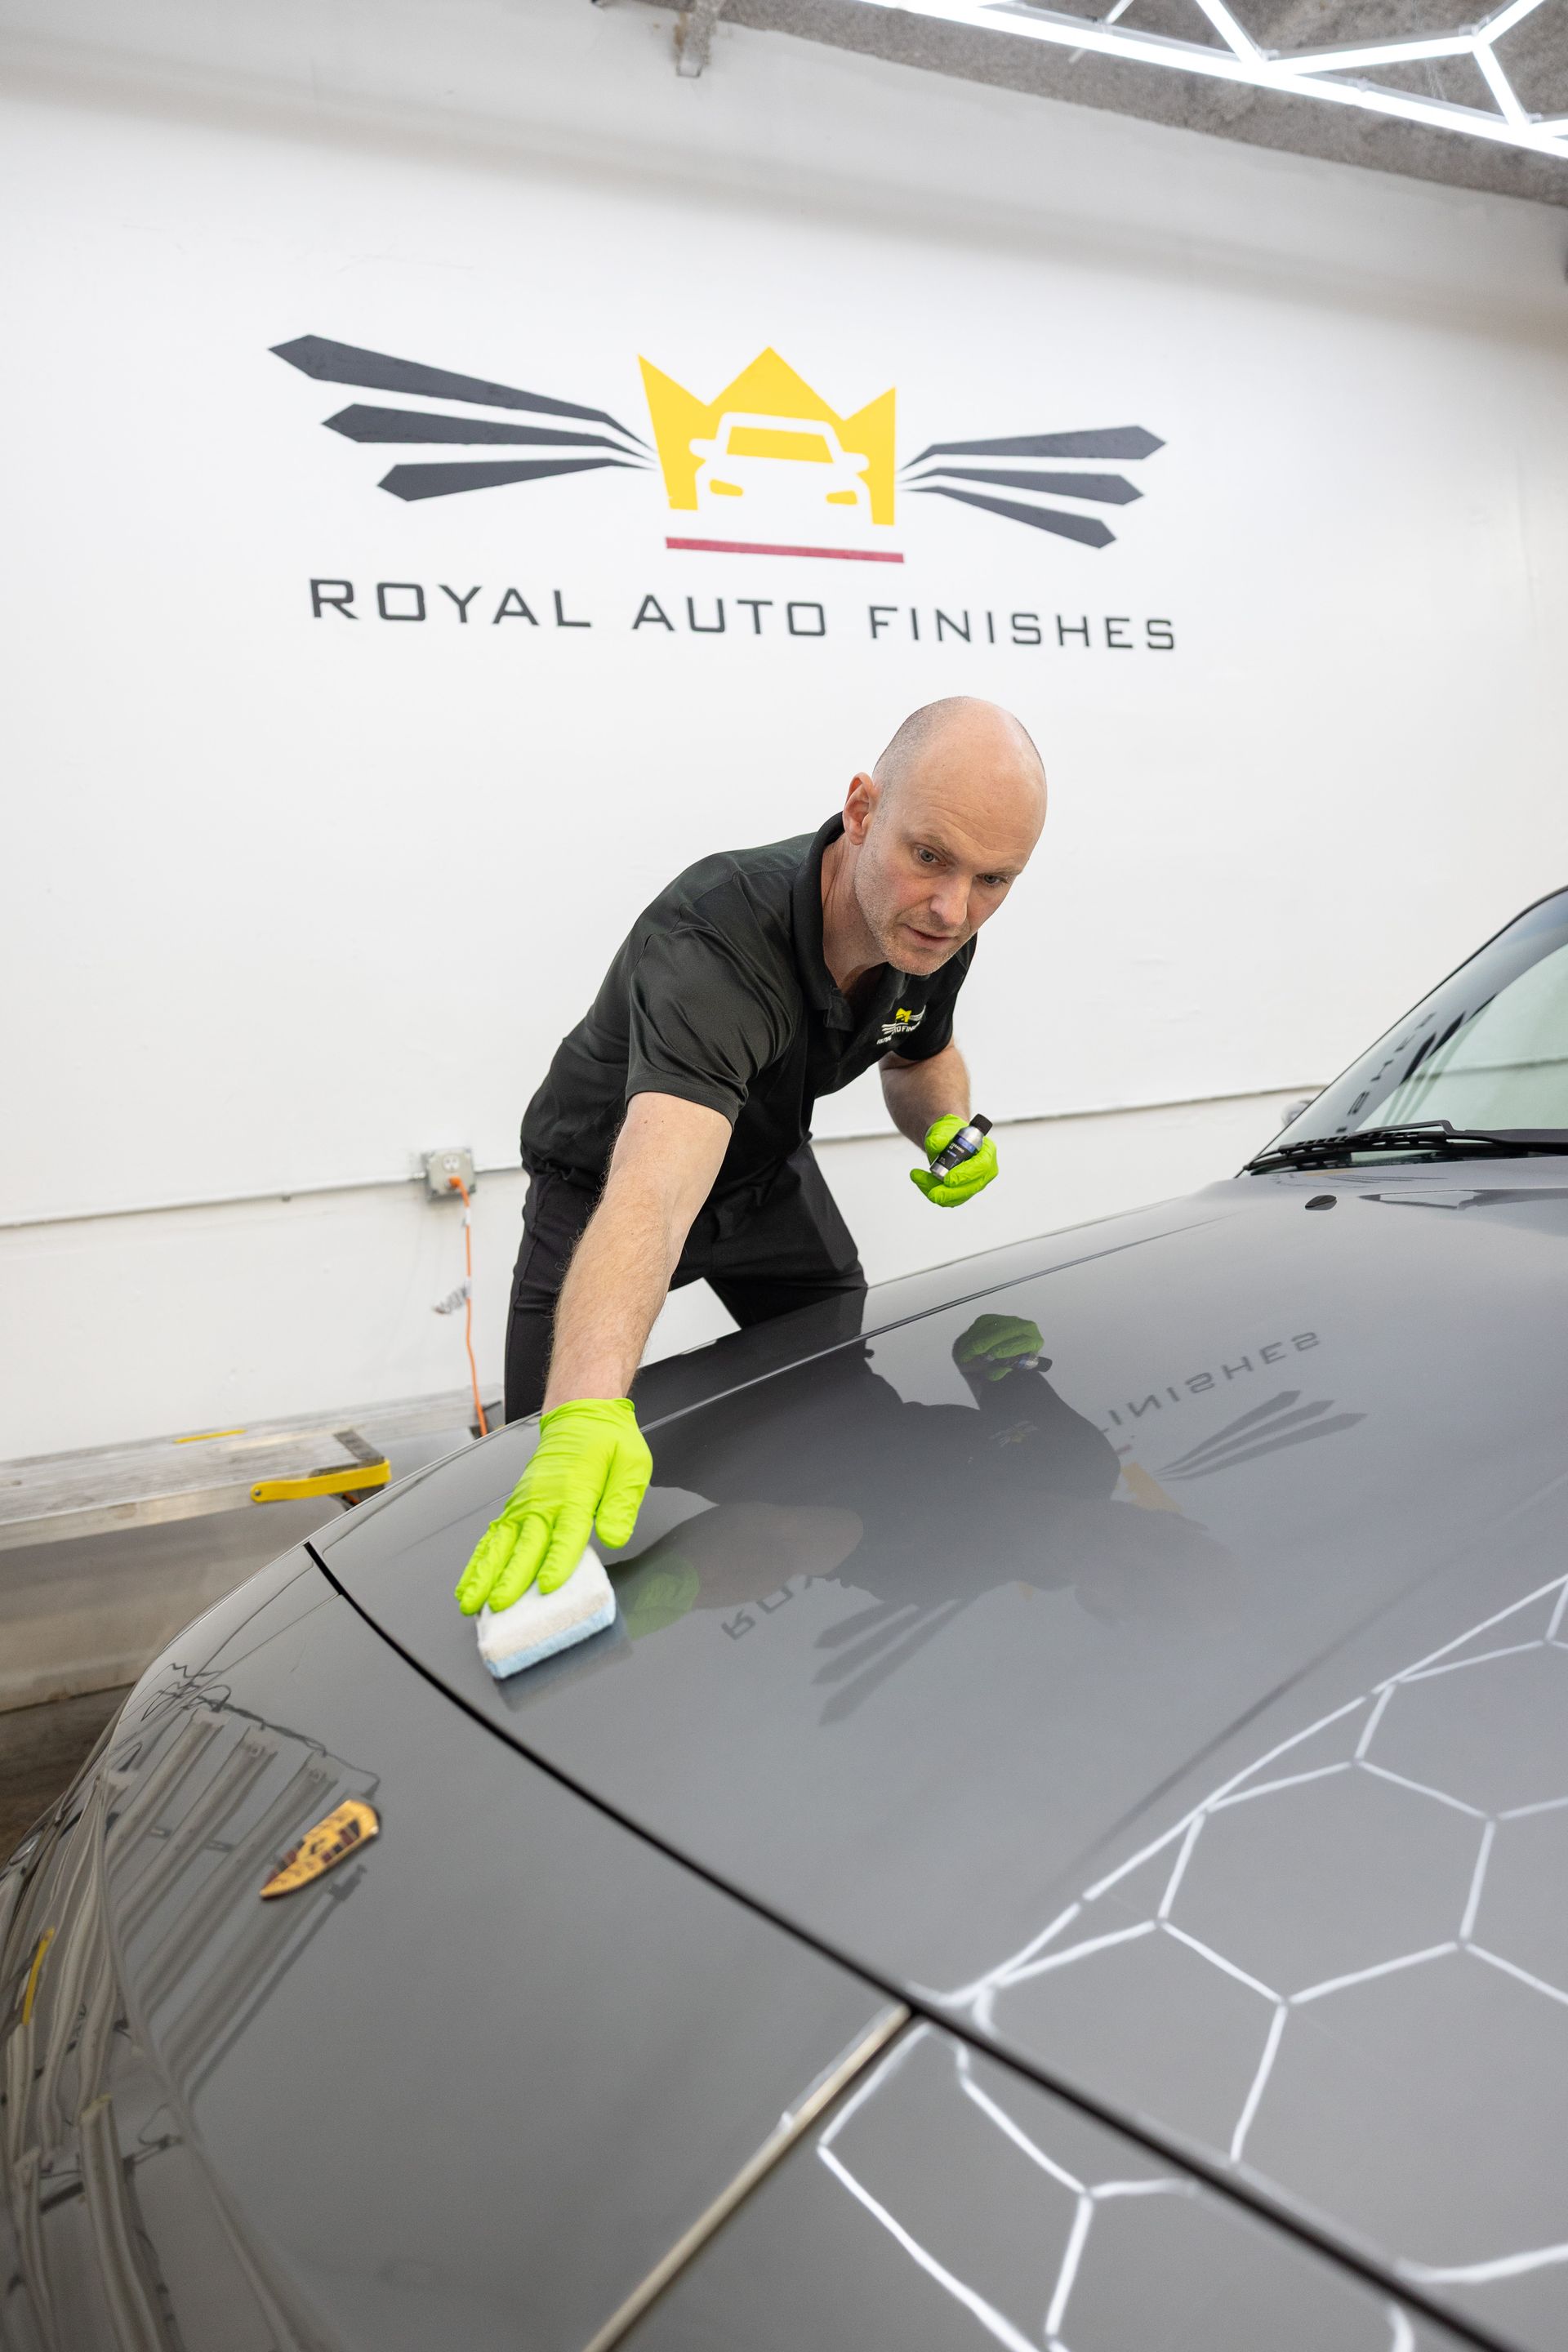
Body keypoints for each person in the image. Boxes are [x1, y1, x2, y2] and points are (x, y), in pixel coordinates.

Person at [455, 695, 1048, 1619]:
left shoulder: (938, 929)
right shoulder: (717, 937)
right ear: (861, 809)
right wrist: (582, 1413)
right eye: (928, 856)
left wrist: (944, 1125)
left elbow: (919, 1055)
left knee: (834, 1412)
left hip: (768, 1172)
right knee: (549, 1452)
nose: (951, 907)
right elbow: (654, 1189)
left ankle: (697, 1574)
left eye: (993, 880)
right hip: (605, 1182)